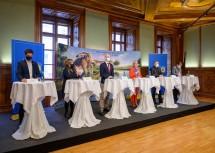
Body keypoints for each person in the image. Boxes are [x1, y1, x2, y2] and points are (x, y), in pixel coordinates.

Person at [16, 49, 41, 125]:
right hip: (25, 85)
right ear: (25, 55)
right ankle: (21, 122)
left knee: (33, 102)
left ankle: (32, 121)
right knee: (22, 102)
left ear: (32, 55)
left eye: (31, 54)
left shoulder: (35, 63)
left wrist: (36, 78)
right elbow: (18, 74)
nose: (29, 56)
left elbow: (38, 74)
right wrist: (22, 79)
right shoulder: (20, 63)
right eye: (28, 54)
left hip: (33, 85)